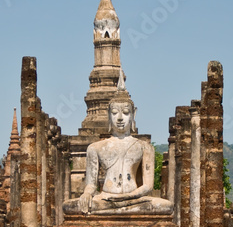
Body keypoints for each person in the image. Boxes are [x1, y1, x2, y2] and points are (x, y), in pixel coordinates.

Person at [63, 74, 172, 215]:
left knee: (166, 206)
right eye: (114, 113)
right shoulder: (95, 148)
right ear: (109, 115)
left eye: (125, 113)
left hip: (135, 199)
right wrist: (87, 194)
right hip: (106, 198)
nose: (120, 118)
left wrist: (127, 197)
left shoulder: (145, 147)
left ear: (133, 114)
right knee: (69, 206)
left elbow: (147, 186)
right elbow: (91, 184)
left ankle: (115, 209)